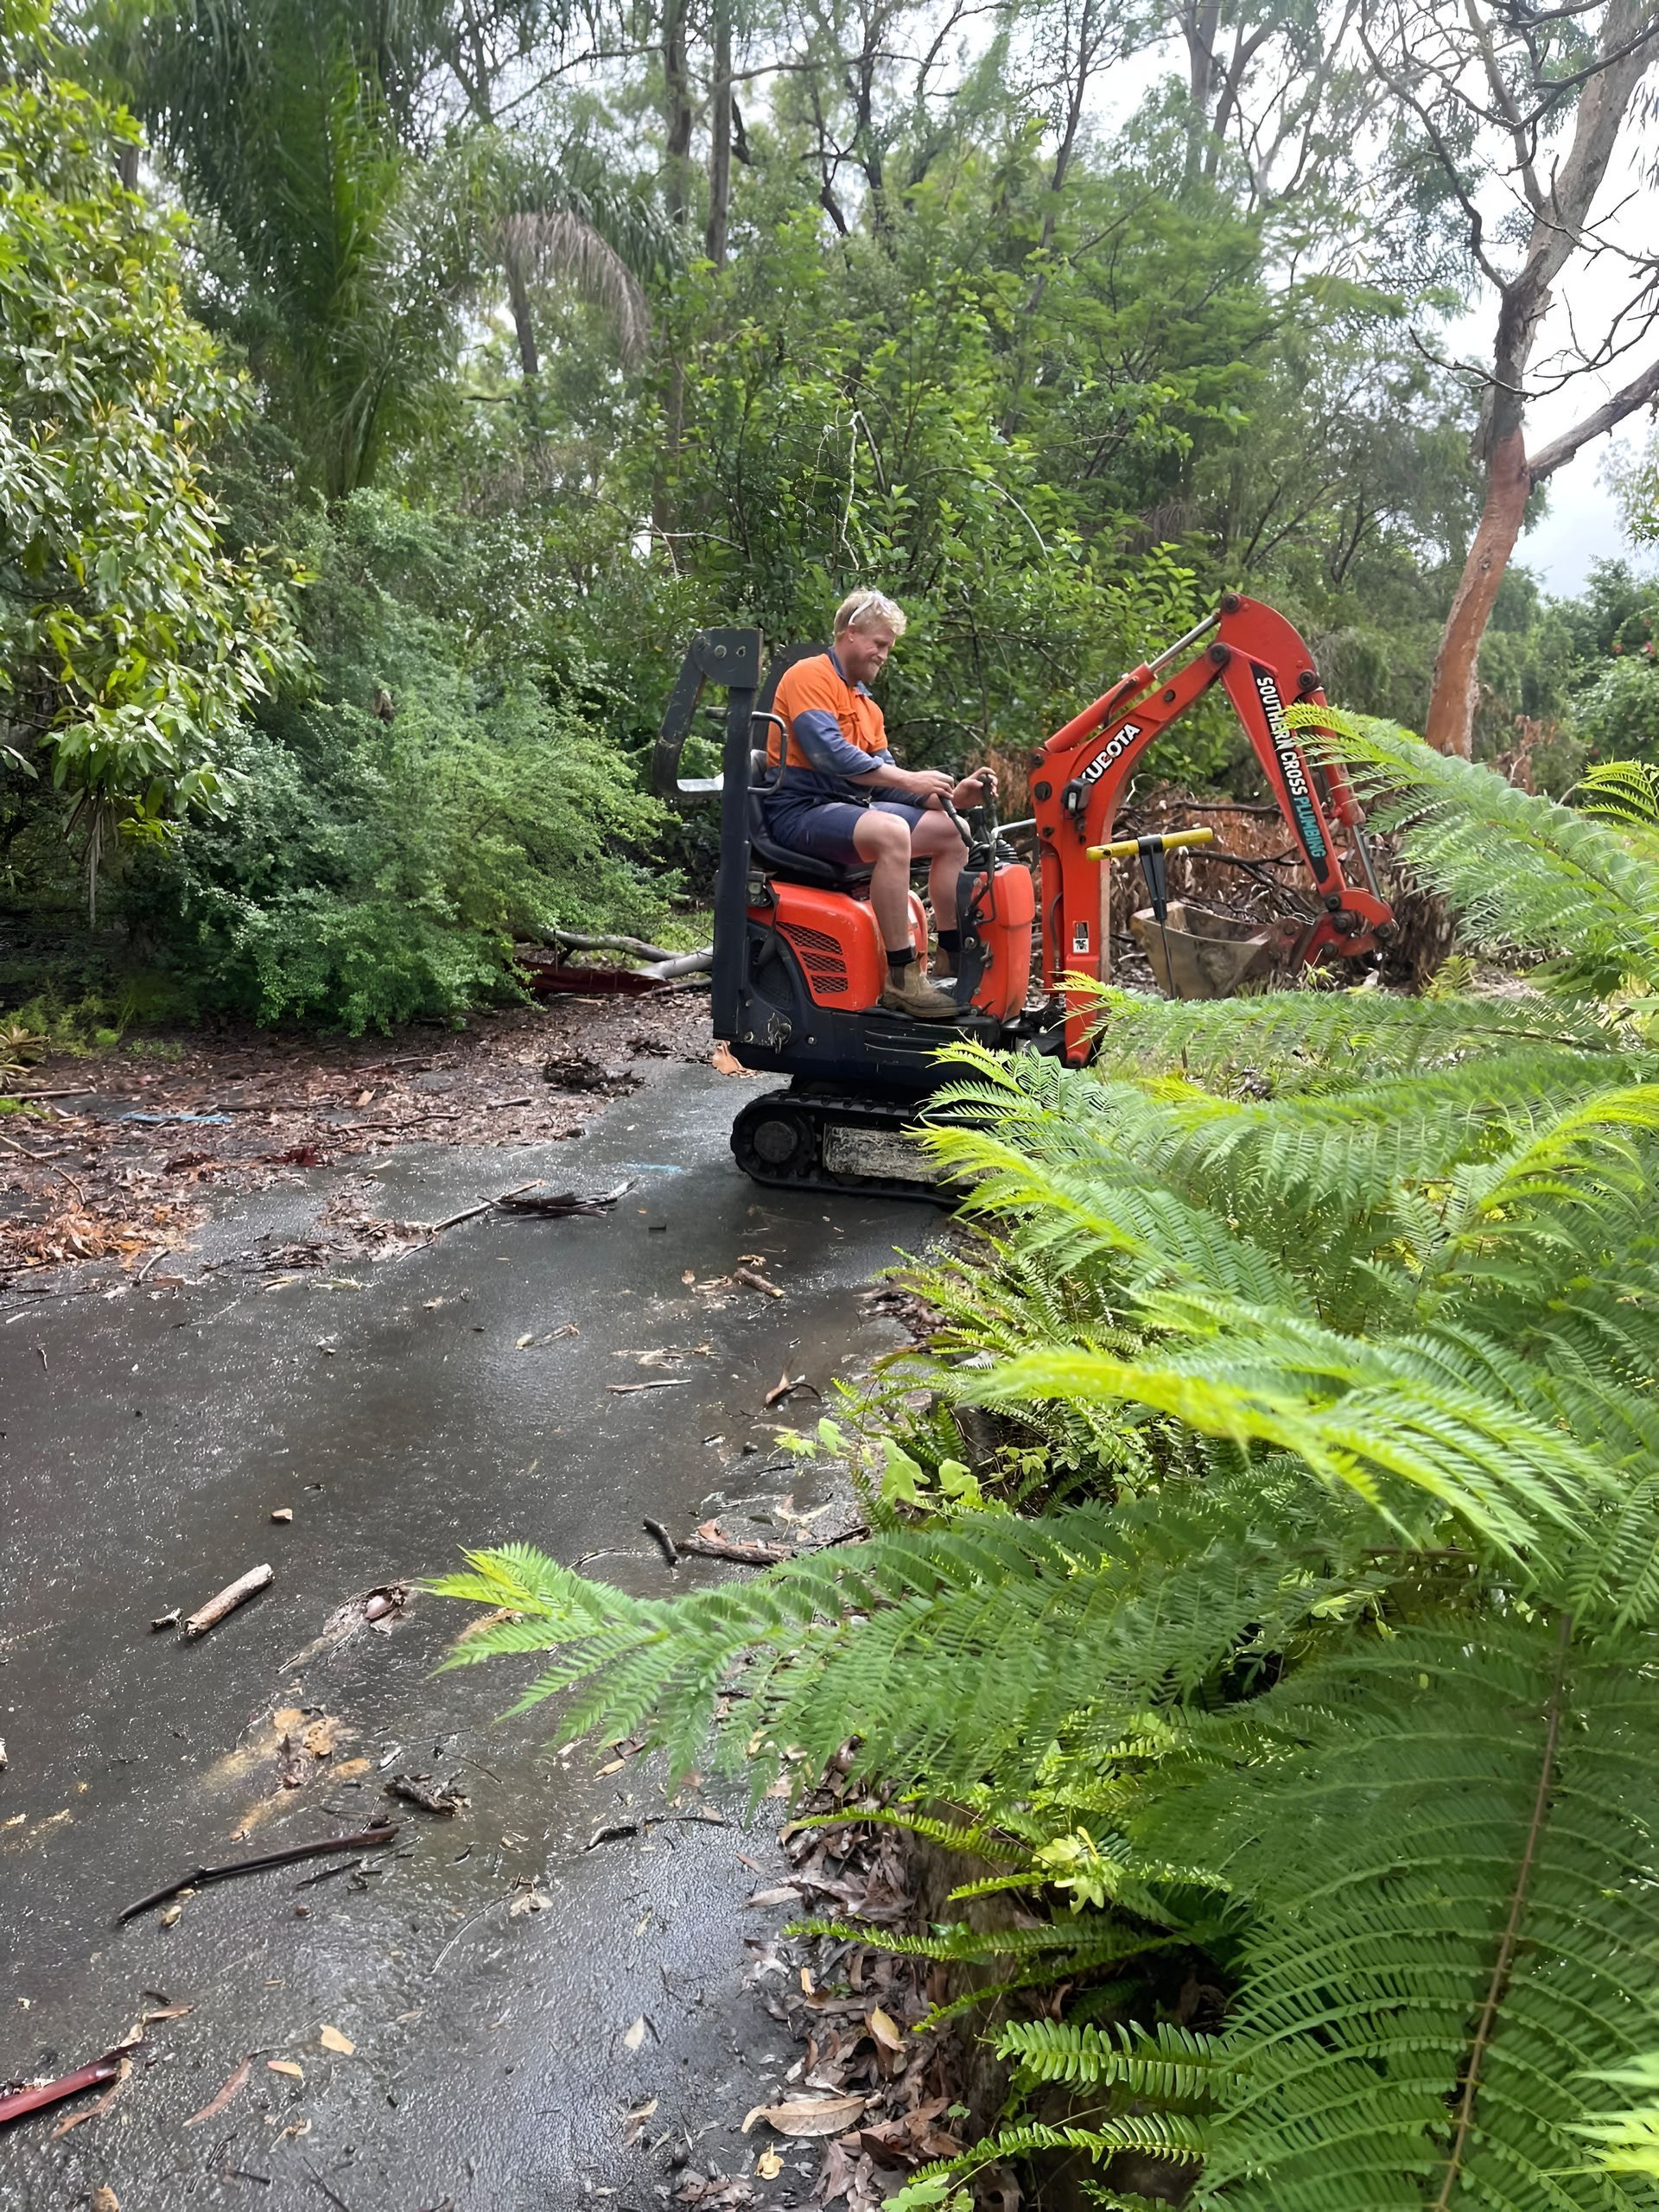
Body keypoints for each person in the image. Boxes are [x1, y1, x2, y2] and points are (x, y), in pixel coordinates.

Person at [763, 590, 992, 1020]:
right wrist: (907, 777)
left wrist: (952, 796)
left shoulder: (866, 706)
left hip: (846, 809)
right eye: (879, 644)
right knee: (892, 832)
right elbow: (828, 753)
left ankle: (951, 956)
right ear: (851, 634)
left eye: (888, 647)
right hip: (799, 811)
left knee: (951, 830)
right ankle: (902, 979)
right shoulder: (808, 675)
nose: (884, 655)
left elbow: (887, 787)